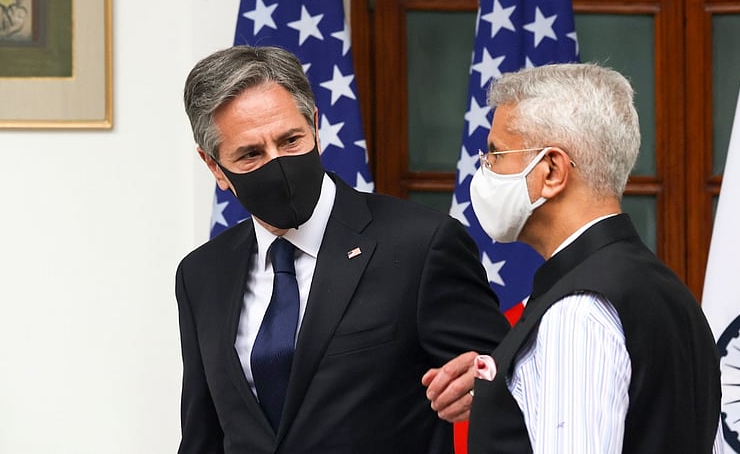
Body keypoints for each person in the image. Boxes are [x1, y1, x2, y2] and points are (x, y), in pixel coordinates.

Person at [175, 45, 510, 453]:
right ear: (215, 167)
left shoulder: (421, 244)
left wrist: (482, 383)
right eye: (250, 154)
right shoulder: (202, 274)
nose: (276, 162)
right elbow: (203, 434)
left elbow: (509, 380)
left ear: (315, 126)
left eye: (290, 140)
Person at [462, 63, 722, 453]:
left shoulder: (577, 311)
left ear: (551, 170)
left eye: (496, 155)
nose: (485, 169)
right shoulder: (669, 292)